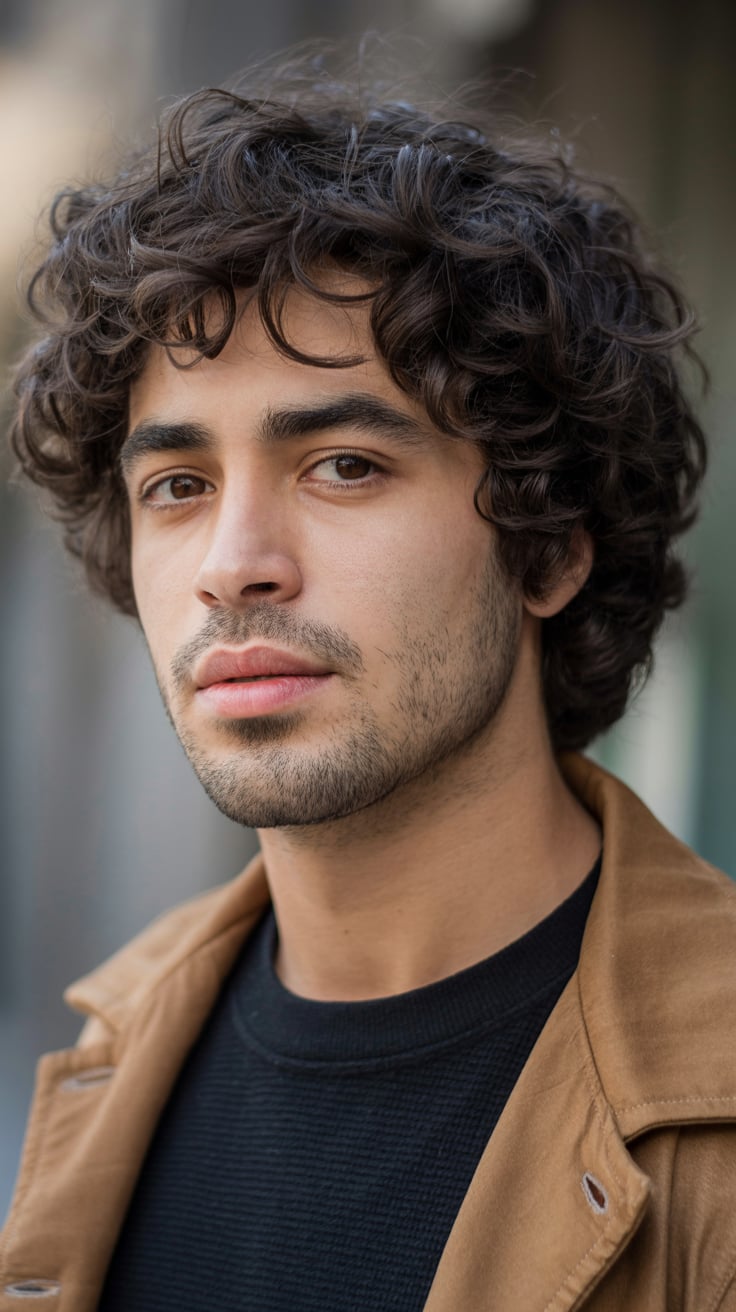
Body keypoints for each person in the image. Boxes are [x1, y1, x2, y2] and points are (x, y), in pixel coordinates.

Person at [3, 47, 735, 1312]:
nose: (235, 568)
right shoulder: (109, 1056)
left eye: (343, 465)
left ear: (549, 546)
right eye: (178, 486)